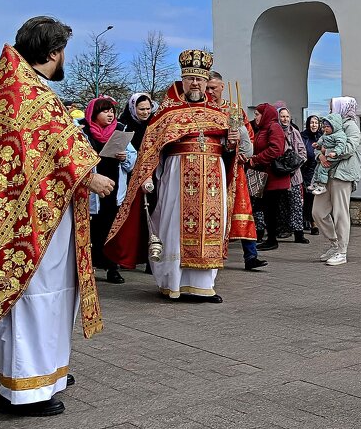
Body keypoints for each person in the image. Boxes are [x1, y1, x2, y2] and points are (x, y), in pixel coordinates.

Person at [0, 16, 114, 416]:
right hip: (32, 221)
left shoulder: (17, 89)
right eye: (63, 49)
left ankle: (44, 374)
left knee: (46, 295)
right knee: (35, 296)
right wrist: (92, 176)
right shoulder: (31, 95)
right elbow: (57, 147)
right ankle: (24, 391)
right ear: (53, 53)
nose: (64, 56)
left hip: (37, 213)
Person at [106, 50, 253, 302]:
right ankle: (173, 283)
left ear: (207, 81)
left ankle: (203, 286)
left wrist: (232, 143)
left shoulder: (222, 113)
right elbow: (151, 149)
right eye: (190, 78)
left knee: (211, 228)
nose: (195, 83)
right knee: (173, 225)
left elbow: (233, 152)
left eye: (200, 79)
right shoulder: (166, 113)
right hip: (176, 175)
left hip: (213, 178)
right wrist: (148, 175)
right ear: (182, 80)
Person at [206, 73, 265, 270]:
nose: (210, 91)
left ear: (222, 87)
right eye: (208, 88)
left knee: (242, 208)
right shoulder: (203, 110)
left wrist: (243, 154)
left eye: (213, 87)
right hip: (210, 167)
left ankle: (251, 256)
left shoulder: (234, 110)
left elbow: (248, 136)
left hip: (234, 168)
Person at [83, 96, 137, 284]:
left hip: (113, 190)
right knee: (91, 230)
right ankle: (88, 267)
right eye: (104, 111)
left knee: (111, 229)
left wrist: (125, 158)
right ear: (93, 113)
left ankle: (112, 268)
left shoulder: (120, 130)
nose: (110, 114)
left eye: (111, 111)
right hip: (90, 191)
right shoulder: (82, 131)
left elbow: (133, 159)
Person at [312, 97, 361, 266]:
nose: (330, 108)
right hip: (326, 174)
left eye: (332, 106)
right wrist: (320, 155)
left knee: (340, 213)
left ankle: (342, 251)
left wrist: (328, 152)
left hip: (342, 175)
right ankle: (334, 244)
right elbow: (320, 145)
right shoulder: (332, 124)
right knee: (317, 212)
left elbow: (350, 148)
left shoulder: (350, 126)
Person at [248, 103, 287, 252]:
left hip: (272, 175)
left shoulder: (273, 127)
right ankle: (269, 237)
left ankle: (272, 239)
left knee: (271, 208)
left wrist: (257, 159)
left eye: (257, 114)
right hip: (264, 174)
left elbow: (276, 149)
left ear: (265, 115)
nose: (255, 117)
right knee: (265, 208)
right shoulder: (263, 129)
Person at [275, 102, 310, 244]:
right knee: (282, 204)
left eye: (287, 116)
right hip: (279, 173)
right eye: (282, 116)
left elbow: (302, 151)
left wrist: (295, 164)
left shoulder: (294, 132)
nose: (285, 119)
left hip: (294, 175)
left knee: (296, 204)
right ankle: (284, 229)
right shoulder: (275, 131)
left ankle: (299, 233)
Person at [308, 114, 348, 195]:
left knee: (323, 170)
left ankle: (322, 186)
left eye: (327, 127)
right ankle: (315, 184)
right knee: (317, 169)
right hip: (326, 155)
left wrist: (335, 152)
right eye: (324, 126)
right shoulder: (325, 134)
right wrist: (317, 145)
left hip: (332, 157)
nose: (325, 128)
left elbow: (341, 145)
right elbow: (321, 140)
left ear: (334, 126)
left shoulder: (340, 135)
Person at [300, 115, 320, 234]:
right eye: (312, 123)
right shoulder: (303, 137)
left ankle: (313, 220)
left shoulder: (321, 137)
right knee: (308, 198)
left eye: (316, 123)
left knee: (316, 198)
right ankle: (312, 223)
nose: (314, 125)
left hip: (318, 171)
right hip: (306, 171)